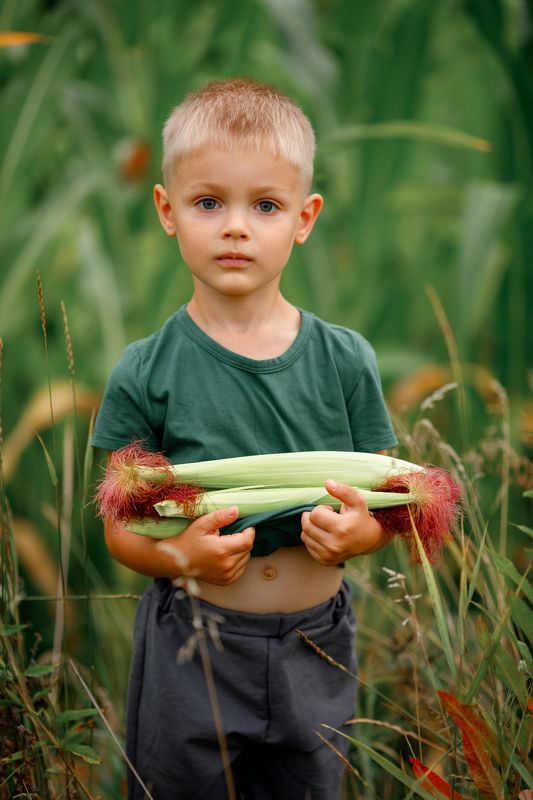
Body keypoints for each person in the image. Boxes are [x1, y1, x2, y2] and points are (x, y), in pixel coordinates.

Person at [91, 78, 398, 800]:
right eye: (208, 203)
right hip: (192, 642)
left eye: (264, 206)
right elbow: (118, 529)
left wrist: (360, 535)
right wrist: (176, 555)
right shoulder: (146, 370)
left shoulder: (343, 359)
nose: (235, 227)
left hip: (317, 644)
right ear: (167, 211)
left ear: (304, 217)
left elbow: (386, 500)